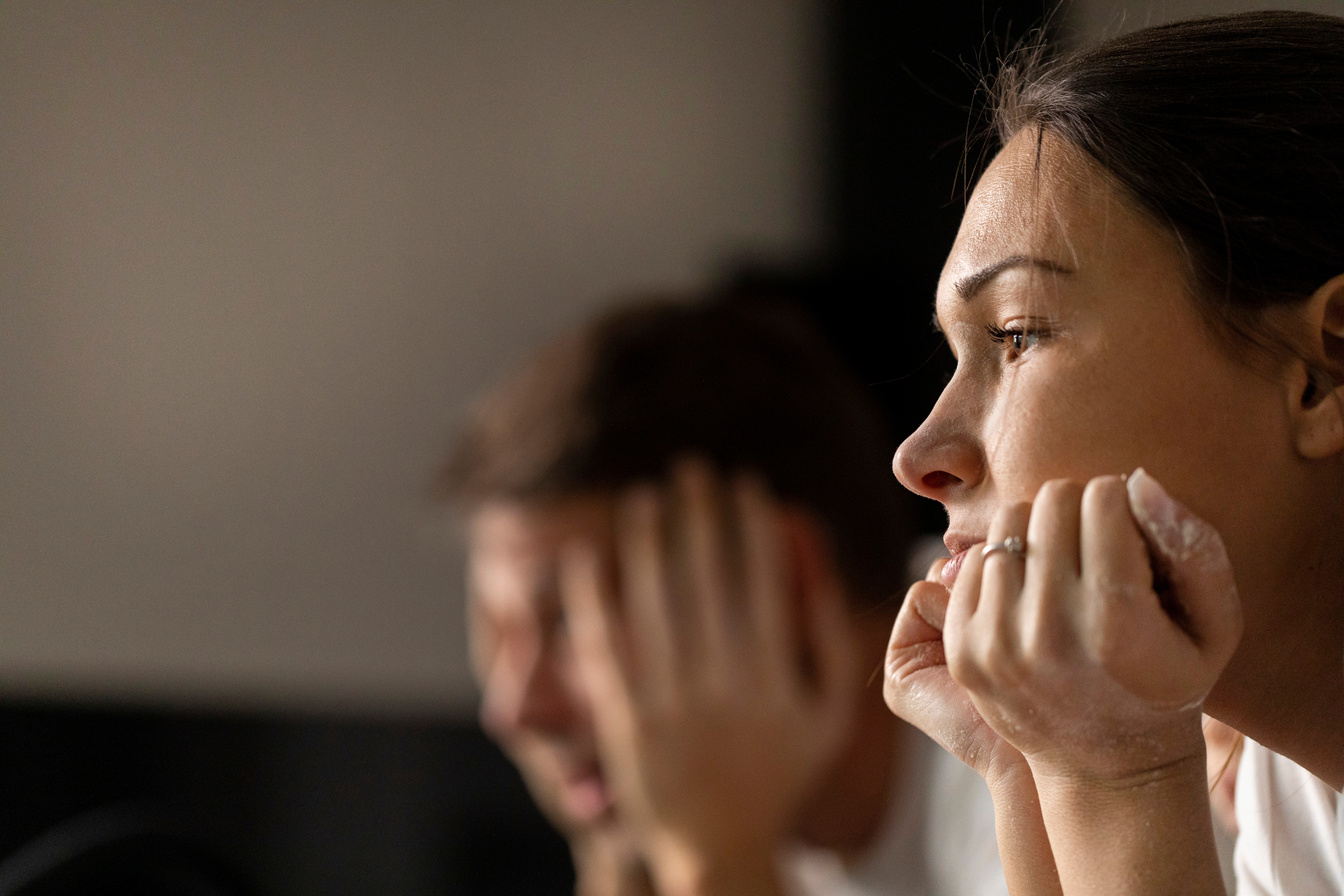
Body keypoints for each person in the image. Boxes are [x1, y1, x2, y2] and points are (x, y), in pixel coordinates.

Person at [881, 10, 1344, 896]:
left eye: (1016, 336)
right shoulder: (1299, 798)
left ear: (1324, 371)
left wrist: (1115, 777)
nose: (921, 455)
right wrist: (1031, 766)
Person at [441, 297, 1008, 896]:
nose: (514, 711)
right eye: (497, 631)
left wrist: (712, 862)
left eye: (569, 622)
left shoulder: (1020, 730)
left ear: (783, 578)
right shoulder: (771, 818)